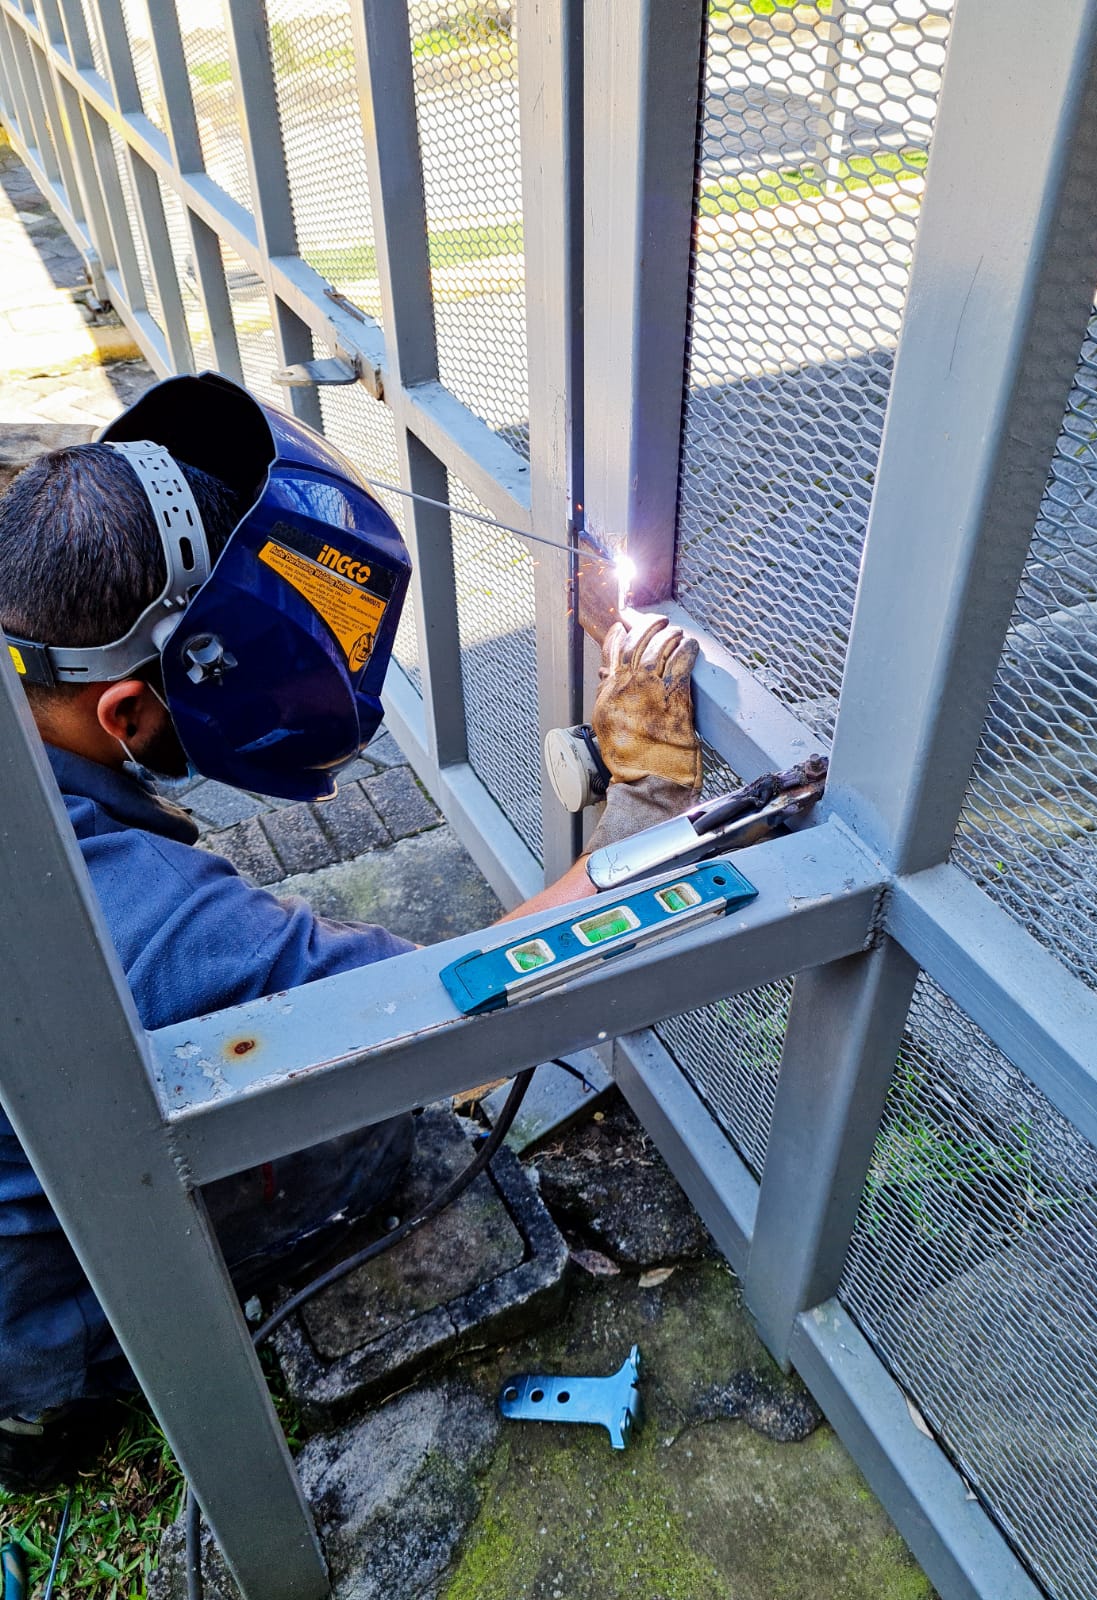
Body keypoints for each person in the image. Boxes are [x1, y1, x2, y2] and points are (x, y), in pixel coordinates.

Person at [0, 374, 702, 1491]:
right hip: (27, 1344)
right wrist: (650, 811)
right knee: (372, 1127)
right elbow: (449, 1006)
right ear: (125, 713)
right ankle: (55, 1402)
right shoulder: (137, 924)